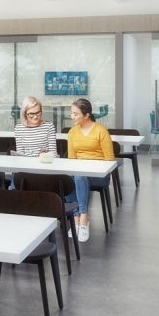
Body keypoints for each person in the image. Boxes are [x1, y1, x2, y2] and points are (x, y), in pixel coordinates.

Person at [64, 98, 113, 243]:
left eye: (75, 114)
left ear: (86, 115)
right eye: (71, 113)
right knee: (71, 177)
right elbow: (72, 159)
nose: (72, 116)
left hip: (99, 174)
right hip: (80, 173)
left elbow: (109, 159)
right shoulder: (72, 132)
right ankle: (76, 217)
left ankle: (83, 218)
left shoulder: (101, 131)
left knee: (78, 177)